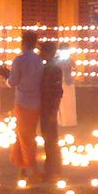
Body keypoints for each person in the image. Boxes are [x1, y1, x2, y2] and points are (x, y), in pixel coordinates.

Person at [0, 30, 43, 181]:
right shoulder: (39, 60)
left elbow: (13, 82)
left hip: (23, 102)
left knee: (25, 137)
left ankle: (34, 170)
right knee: (22, 135)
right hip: (36, 102)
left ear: (23, 43)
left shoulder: (19, 60)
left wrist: (5, 75)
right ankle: (22, 167)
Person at [39, 41, 64, 179]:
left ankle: (52, 170)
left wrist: (54, 112)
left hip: (49, 108)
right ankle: (52, 169)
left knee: (51, 139)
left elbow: (58, 92)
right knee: (48, 138)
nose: (39, 53)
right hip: (45, 106)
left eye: (41, 51)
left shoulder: (54, 69)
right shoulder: (47, 67)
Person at [56, 43, 77, 127]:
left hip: (68, 83)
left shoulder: (70, 60)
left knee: (69, 104)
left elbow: (75, 68)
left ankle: (69, 122)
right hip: (59, 83)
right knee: (61, 104)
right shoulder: (56, 59)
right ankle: (61, 122)